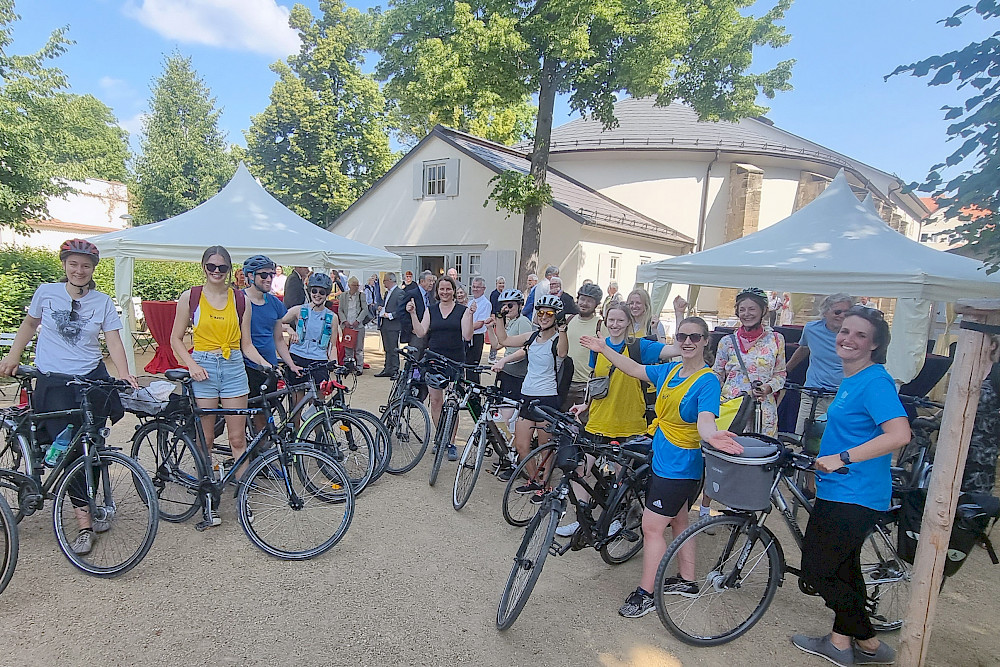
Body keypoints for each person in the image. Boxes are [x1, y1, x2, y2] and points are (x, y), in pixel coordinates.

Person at [580, 316, 742, 619]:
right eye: (682, 336)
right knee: (679, 520)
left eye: (695, 337)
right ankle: (687, 580)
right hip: (663, 456)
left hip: (680, 465)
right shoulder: (671, 370)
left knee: (652, 527)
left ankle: (646, 593)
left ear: (706, 341)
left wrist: (712, 435)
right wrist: (604, 349)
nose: (688, 342)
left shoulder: (707, 380)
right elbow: (634, 369)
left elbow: (706, 419)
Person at [0, 238, 139, 555]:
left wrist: (124, 372)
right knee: (70, 449)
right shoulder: (46, 292)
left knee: (92, 445)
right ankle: (84, 525)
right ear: (64, 265)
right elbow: (30, 324)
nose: (79, 270)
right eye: (73, 264)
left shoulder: (102, 301)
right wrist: (13, 355)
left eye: (86, 266)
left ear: (93, 270)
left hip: (91, 377)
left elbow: (113, 339)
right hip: (55, 379)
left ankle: (89, 497)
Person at [791, 306, 910, 666]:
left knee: (818, 570)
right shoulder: (853, 378)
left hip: (857, 492)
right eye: (845, 331)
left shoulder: (874, 381)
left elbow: (899, 434)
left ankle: (867, 642)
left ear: (874, 344)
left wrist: (842, 458)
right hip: (840, 489)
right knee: (844, 568)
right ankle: (845, 644)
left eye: (860, 335)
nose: (848, 339)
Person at [558, 301, 682, 537]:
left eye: (620, 320)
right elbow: (596, 380)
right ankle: (582, 518)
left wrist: (678, 313)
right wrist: (586, 404)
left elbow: (675, 349)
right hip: (598, 420)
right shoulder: (597, 346)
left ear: (628, 322)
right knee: (580, 470)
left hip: (629, 422)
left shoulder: (640, 346)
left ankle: (618, 517)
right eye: (611, 320)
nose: (615, 324)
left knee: (621, 477)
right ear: (605, 321)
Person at [170, 245, 272, 529]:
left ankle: (243, 498)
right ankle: (207, 497)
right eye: (211, 266)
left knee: (238, 439)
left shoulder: (240, 300)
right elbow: (176, 339)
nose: (216, 271)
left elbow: (246, 344)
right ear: (203, 267)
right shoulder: (191, 297)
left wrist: (266, 365)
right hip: (203, 366)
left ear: (229, 270)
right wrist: (192, 365)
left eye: (222, 267)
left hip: (233, 367)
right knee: (205, 440)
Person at [703, 287, 787, 521]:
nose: (747, 314)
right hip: (732, 407)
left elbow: (781, 373)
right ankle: (705, 508)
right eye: (742, 309)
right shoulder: (727, 342)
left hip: (762, 409)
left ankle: (745, 508)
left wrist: (769, 387)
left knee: (756, 459)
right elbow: (717, 374)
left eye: (752, 309)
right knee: (721, 455)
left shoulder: (776, 339)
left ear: (763, 310)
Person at [489, 294, 569, 497]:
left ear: (556, 316)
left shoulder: (557, 339)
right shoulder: (532, 337)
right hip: (527, 395)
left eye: (549, 313)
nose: (544, 317)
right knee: (521, 445)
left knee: (545, 447)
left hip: (547, 398)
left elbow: (562, 353)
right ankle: (534, 480)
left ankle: (546, 485)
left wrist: (563, 329)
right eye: (540, 313)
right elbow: (504, 340)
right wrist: (500, 317)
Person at [406, 275, 475, 461]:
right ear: (437, 291)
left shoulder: (462, 310)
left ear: (453, 291)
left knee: (452, 403)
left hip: (455, 361)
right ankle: (441, 437)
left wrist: (470, 315)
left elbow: (467, 336)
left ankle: (451, 442)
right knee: (436, 401)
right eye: (441, 289)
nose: (445, 292)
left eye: (448, 289)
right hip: (434, 360)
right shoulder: (431, 310)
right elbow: (421, 332)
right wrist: (413, 314)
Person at [241, 255, 301, 434]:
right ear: (250, 276)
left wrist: (291, 364)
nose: (269, 278)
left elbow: (278, 339)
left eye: (271, 274)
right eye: (263, 275)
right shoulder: (238, 300)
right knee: (240, 420)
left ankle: (261, 450)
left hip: (268, 368)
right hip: (244, 366)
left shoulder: (274, 302)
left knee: (263, 419)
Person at [786, 293, 854, 439]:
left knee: (837, 440)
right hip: (813, 393)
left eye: (847, 312)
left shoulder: (855, 335)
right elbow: (804, 349)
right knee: (802, 438)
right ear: (825, 312)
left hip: (843, 396)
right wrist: (786, 370)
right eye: (837, 312)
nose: (842, 316)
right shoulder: (811, 329)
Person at [280, 273, 340, 417]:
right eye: (314, 291)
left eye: (322, 292)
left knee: (318, 408)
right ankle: (295, 431)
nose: (317, 295)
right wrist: (288, 329)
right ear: (309, 291)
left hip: (319, 361)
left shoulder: (332, 317)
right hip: (298, 358)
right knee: (296, 406)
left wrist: (335, 363)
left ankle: (316, 431)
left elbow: (332, 345)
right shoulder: (298, 310)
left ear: (327, 294)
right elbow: (277, 323)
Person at [562, 282, 603, 412]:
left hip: (586, 384)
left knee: (584, 420)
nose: (584, 303)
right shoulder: (568, 320)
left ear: (596, 304)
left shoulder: (601, 325)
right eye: (582, 299)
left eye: (589, 301)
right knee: (560, 420)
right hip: (566, 381)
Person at [338, 276, 372, 374]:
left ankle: (359, 367)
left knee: (359, 348)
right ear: (349, 285)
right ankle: (349, 366)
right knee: (348, 347)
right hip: (347, 325)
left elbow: (365, 309)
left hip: (358, 326)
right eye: (354, 285)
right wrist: (344, 321)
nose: (356, 287)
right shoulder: (343, 296)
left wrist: (358, 320)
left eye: (357, 285)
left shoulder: (362, 296)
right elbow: (340, 310)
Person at [376, 273, 404, 377]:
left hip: (393, 325)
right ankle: (387, 368)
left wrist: (391, 315)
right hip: (385, 324)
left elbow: (401, 309)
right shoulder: (387, 293)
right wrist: (382, 308)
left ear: (390, 280)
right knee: (387, 348)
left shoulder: (399, 293)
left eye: (385, 281)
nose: (384, 284)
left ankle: (395, 369)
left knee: (393, 348)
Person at [466, 277, 492, 382]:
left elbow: (480, 324)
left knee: (473, 367)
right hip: (467, 336)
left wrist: (465, 327)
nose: (475, 289)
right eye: (474, 287)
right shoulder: (470, 302)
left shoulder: (486, 304)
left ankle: (474, 390)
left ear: (483, 289)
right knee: (466, 366)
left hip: (476, 337)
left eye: (478, 287)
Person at [488, 276, 507, 363]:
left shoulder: (504, 294)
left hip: (502, 318)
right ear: (496, 284)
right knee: (495, 338)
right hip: (496, 317)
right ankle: (491, 357)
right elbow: (493, 307)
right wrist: (493, 318)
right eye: (500, 283)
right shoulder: (494, 294)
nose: (501, 285)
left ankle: (495, 356)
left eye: (503, 283)